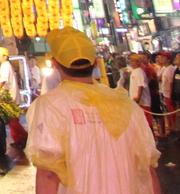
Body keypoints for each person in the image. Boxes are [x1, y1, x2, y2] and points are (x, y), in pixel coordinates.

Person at [27, 27, 160, 194]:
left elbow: (48, 174)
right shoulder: (127, 104)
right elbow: (148, 170)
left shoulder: (51, 105)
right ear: (96, 62)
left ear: (54, 63)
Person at [0, 48, 27, 147]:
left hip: (10, 96)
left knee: (12, 120)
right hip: (12, 94)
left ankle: (24, 137)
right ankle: (19, 140)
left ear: (5, 56)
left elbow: (3, 80)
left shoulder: (5, 66)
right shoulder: (6, 65)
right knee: (12, 120)